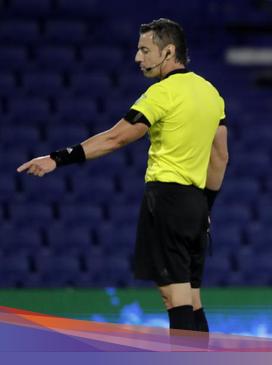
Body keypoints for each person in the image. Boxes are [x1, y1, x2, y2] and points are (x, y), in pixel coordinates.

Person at [17, 18, 229, 334]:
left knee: (175, 299)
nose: (137, 58)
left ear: (168, 51)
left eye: (145, 50)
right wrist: (206, 206)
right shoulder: (211, 93)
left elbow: (116, 138)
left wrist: (57, 158)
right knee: (192, 298)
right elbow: (220, 156)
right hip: (195, 204)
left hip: (167, 200)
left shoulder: (162, 93)